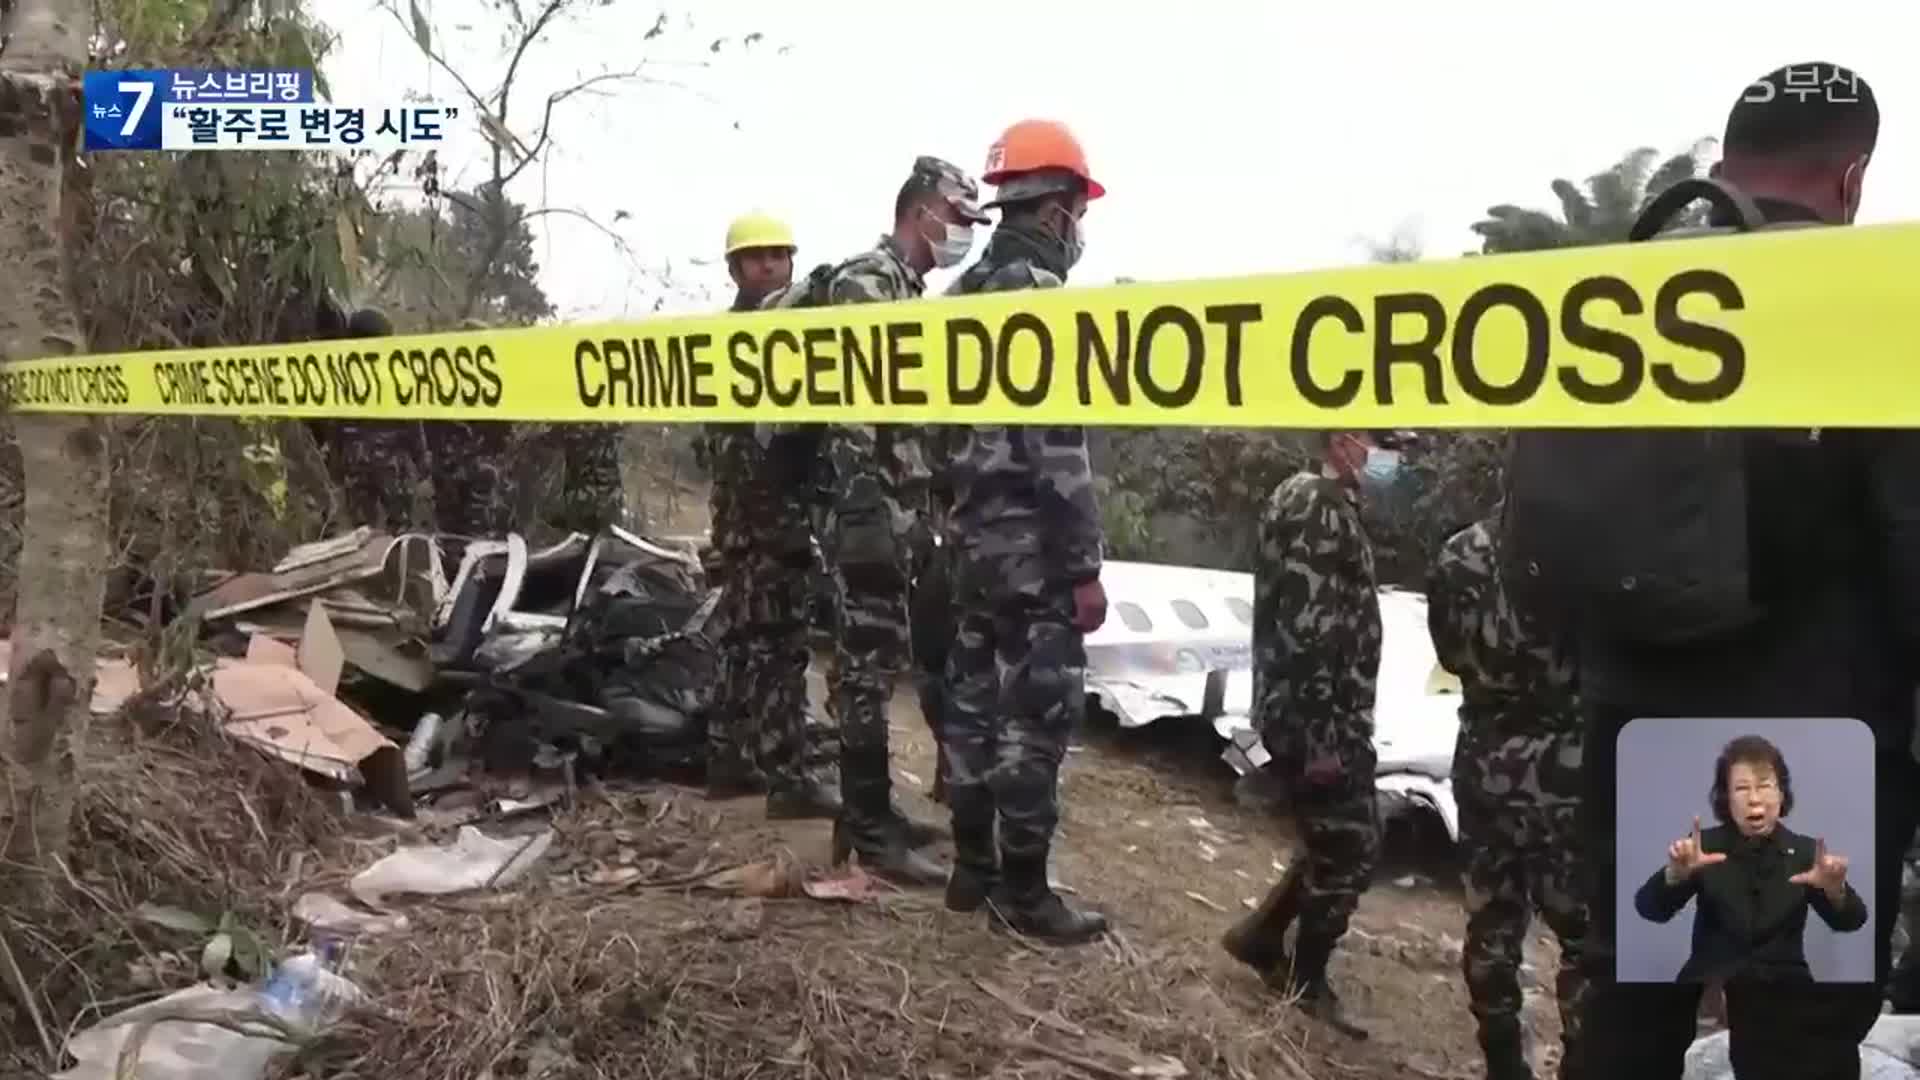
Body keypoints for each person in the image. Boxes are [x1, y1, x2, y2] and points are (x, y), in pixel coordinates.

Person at [1570, 62, 1920, 1080]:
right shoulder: (1877, 304)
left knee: (1631, 1016)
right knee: (1797, 1041)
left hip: (1642, 723)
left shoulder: (1631, 298)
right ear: (1853, 180)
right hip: (1821, 744)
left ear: (1722, 171)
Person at [770, 157, 988, 885]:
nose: (961, 234)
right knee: (864, 665)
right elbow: (853, 395)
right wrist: (863, 500)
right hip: (865, 505)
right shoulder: (869, 278)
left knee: (880, 658)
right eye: (957, 219)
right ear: (921, 210)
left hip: (895, 506)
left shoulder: (905, 289)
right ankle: (865, 828)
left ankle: (873, 811)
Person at [939, 119, 1109, 943]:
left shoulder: (956, 300)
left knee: (970, 707)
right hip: (1032, 545)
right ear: (1057, 208)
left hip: (964, 538)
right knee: (1035, 715)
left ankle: (971, 871)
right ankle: (1025, 892)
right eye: (1080, 208)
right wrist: (1082, 565)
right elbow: (1058, 445)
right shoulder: (1040, 300)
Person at [1221, 429, 1414, 1038]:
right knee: (1354, 847)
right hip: (1317, 719)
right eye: (1383, 443)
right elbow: (1308, 630)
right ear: (1343, 439)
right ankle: (1304, 979)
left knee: (1333, 839)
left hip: (1320, 713)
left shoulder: (1326, 505)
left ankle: (1261, 937)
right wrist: (1324, 740)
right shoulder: (1315, 508)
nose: (1393, 459)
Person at [1427, 510, 1588, 1080]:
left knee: (1492, 922)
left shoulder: (1458, 552)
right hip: (1565, 771)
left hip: (1484, 760)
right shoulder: (1587, 543)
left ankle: (1502, 1066)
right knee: (1586, 939)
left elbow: (1449, 659)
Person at [700, 212, 843, 813]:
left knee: (744, 642)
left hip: (759, 520)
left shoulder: (786, 329)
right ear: (734, 269)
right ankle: (787, 778)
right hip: (761, 523)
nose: (769, 266)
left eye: (778, 257)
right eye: (756, 258)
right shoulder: (743, 336)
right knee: (776, 646)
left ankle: (730, 759)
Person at [1633, 736, 1866, 991]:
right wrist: (1675, 875)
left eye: (1764, 786)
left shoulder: (1805, 852)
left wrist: (1836, 891)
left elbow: (1851, 921)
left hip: (1785, 991)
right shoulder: (1705, 846)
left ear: (1780, 794)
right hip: (1711, 990)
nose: (1754, 799)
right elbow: (1649, 909)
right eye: (1742, 788)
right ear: (1726, 798)